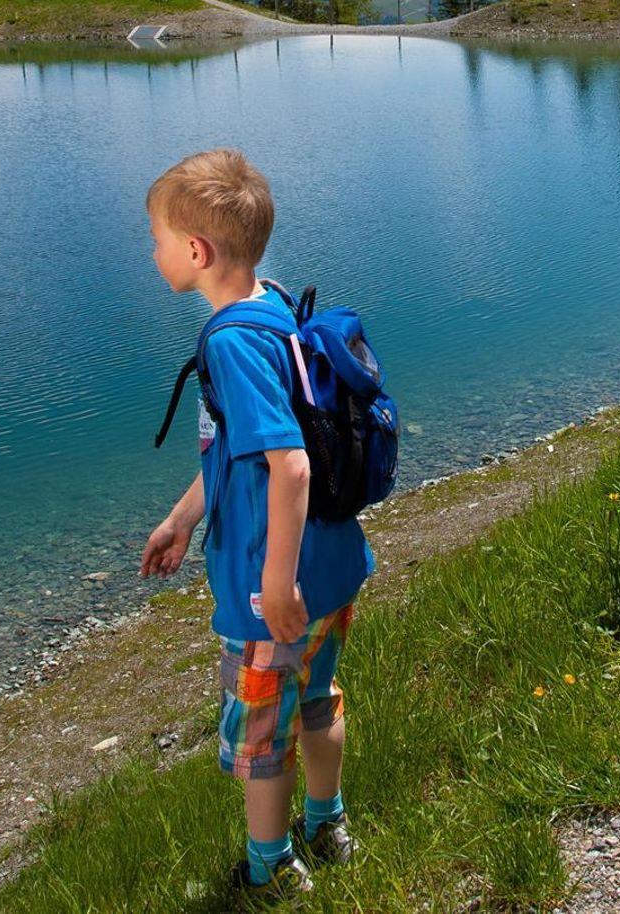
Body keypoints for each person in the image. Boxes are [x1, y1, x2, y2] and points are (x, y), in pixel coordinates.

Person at [139, 148, 374, 896]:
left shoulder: (231, 342)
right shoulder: (272, 305)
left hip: (272, 591)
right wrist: (183, 518)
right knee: (319, 701)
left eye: (157, 240)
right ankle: (328, 824)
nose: (153, 253)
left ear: (196, 251)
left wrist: (274, 585)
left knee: (263, 738)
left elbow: (290, 465)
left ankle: (272, 869)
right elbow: (237, 451)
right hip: (331, 565)